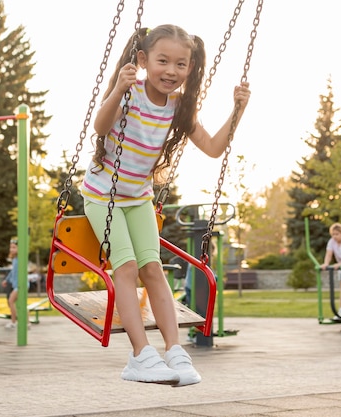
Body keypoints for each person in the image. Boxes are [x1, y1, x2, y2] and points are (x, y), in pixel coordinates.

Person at [81, 24, 251, 386]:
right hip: (102, 195)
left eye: (180, 64)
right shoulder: (130, 93)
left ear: (191, 68)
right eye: (162, 61)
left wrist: (237, 111)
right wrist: (118, 90)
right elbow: (99, 126)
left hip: (138, 197)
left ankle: (174, 351)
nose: (171, 71)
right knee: (126, 269)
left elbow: (213, 148)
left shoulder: (178, 108)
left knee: (153, 270)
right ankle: (141, 355)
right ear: (143, 60)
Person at [1, 238, 27, 329]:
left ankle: (13, 322)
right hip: (17, 285)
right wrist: (7, 280)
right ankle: (27, 323)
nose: (11, 249)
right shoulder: (15, 259)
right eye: (11, 247)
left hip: (21, 284)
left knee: (11, 301)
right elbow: (13, 272)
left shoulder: (20, 259)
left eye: (14, 247)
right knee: (21, 303)